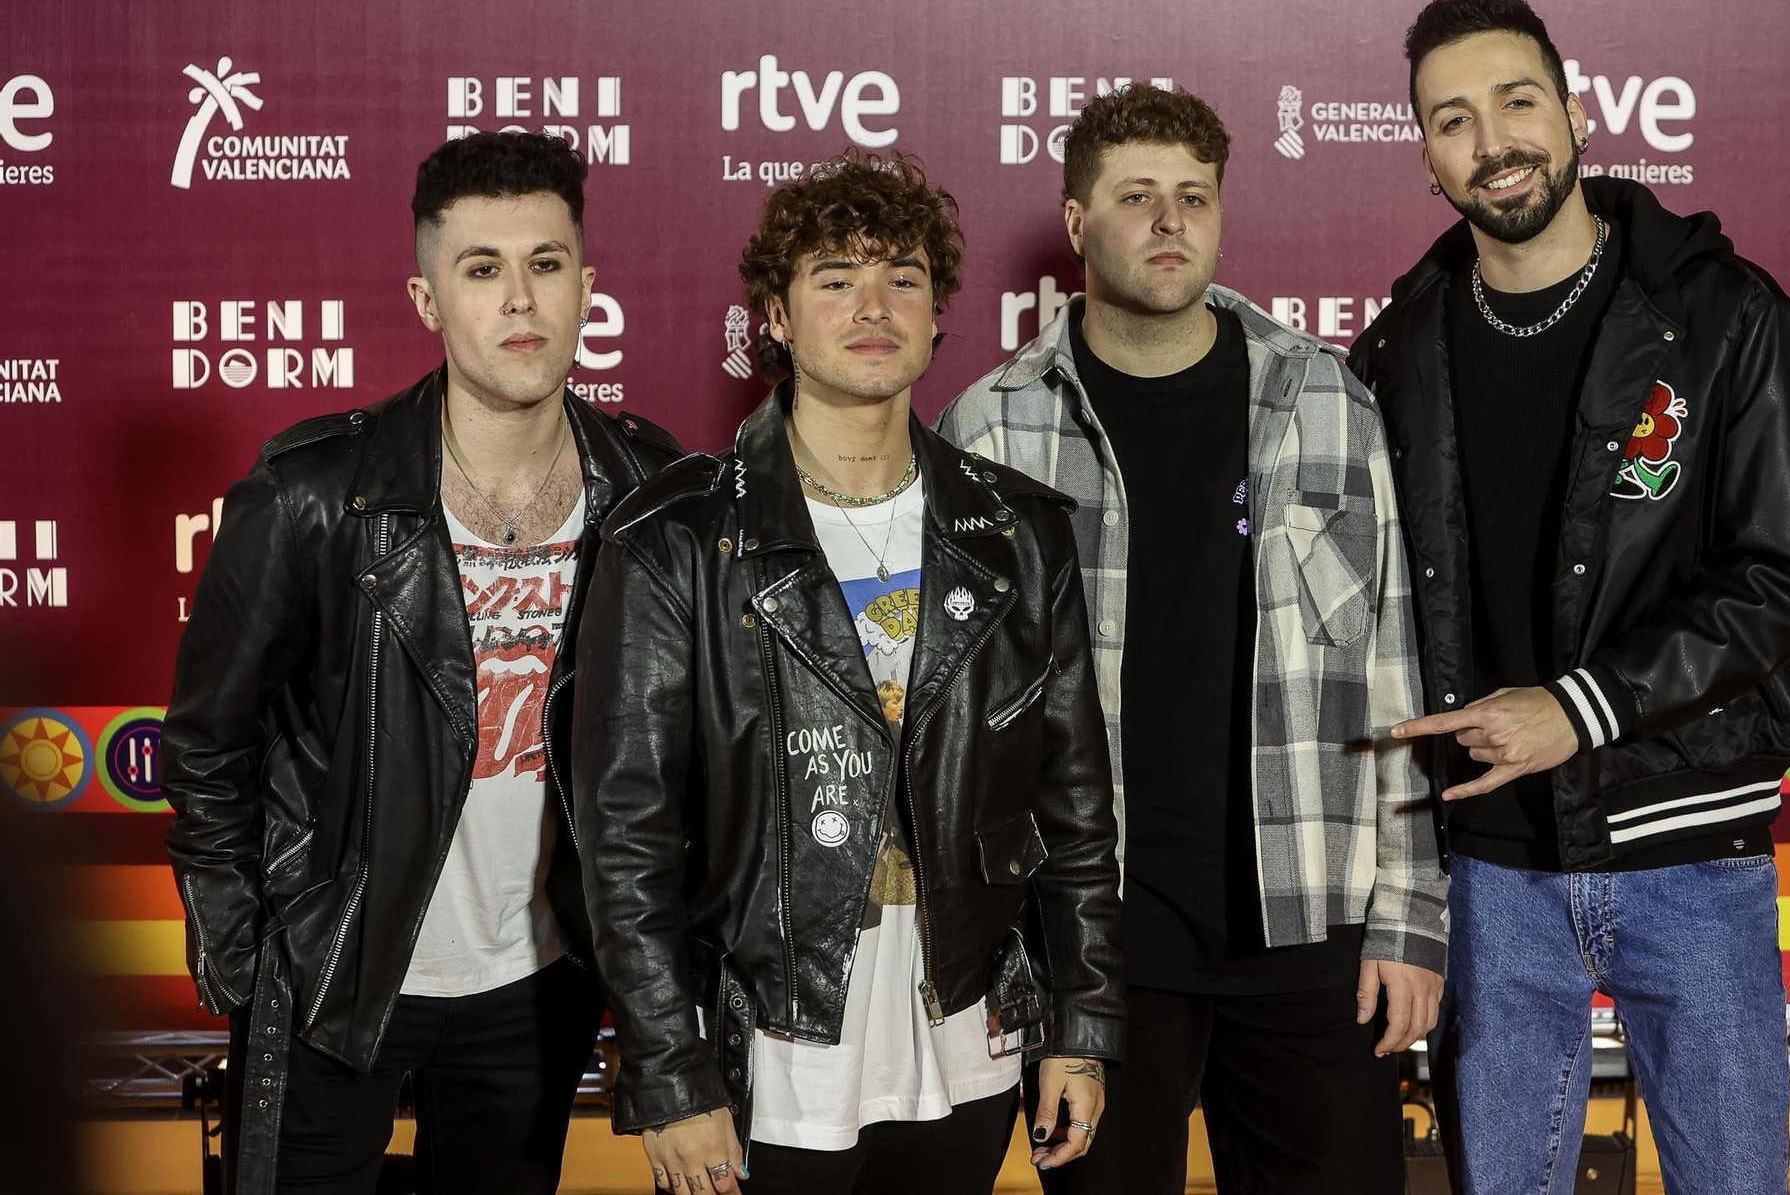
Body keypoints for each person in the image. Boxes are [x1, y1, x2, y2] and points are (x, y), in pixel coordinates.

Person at [1350, 0, 1790, 1195]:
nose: (1492, 139)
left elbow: (1778, 580)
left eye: (1516, 101)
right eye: (1451, 118)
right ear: (1424, 157)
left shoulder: (1720, 313)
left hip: (1690, 848)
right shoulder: (1396, 347)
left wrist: (1581, 706)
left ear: (1572, 111)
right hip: (1486, 869)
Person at [570, 150, 1124, 1195]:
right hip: (765, 1027)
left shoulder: (1016, 530)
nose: (872, 306)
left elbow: (1076, 807)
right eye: (834, 278)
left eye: (902, 278)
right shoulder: (677, 539)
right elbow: (625, 833)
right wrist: (669, 1072)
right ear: (774, 316)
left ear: (935, 312)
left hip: (964, 1017)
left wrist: (1080, 1027)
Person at [940, 83, 1446, 1195]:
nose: (1169, 222)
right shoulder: (990, 426)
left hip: (1310, 931)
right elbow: (966, 732)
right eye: (1135, 197)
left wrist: (1410, 919)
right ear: (1076, 226)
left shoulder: (1323, 399)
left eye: (1192, 197)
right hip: (1098, 950)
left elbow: (1391, 670)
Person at [161, 131, 685, 1194]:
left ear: (586, 286)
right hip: (335, 964)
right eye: (481, 270)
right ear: (426, 298)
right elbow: (210, 732)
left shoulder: (650, 486)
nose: (520, 301)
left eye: (545, 265)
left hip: (539, 979)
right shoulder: (316, 492)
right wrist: (247, 939)